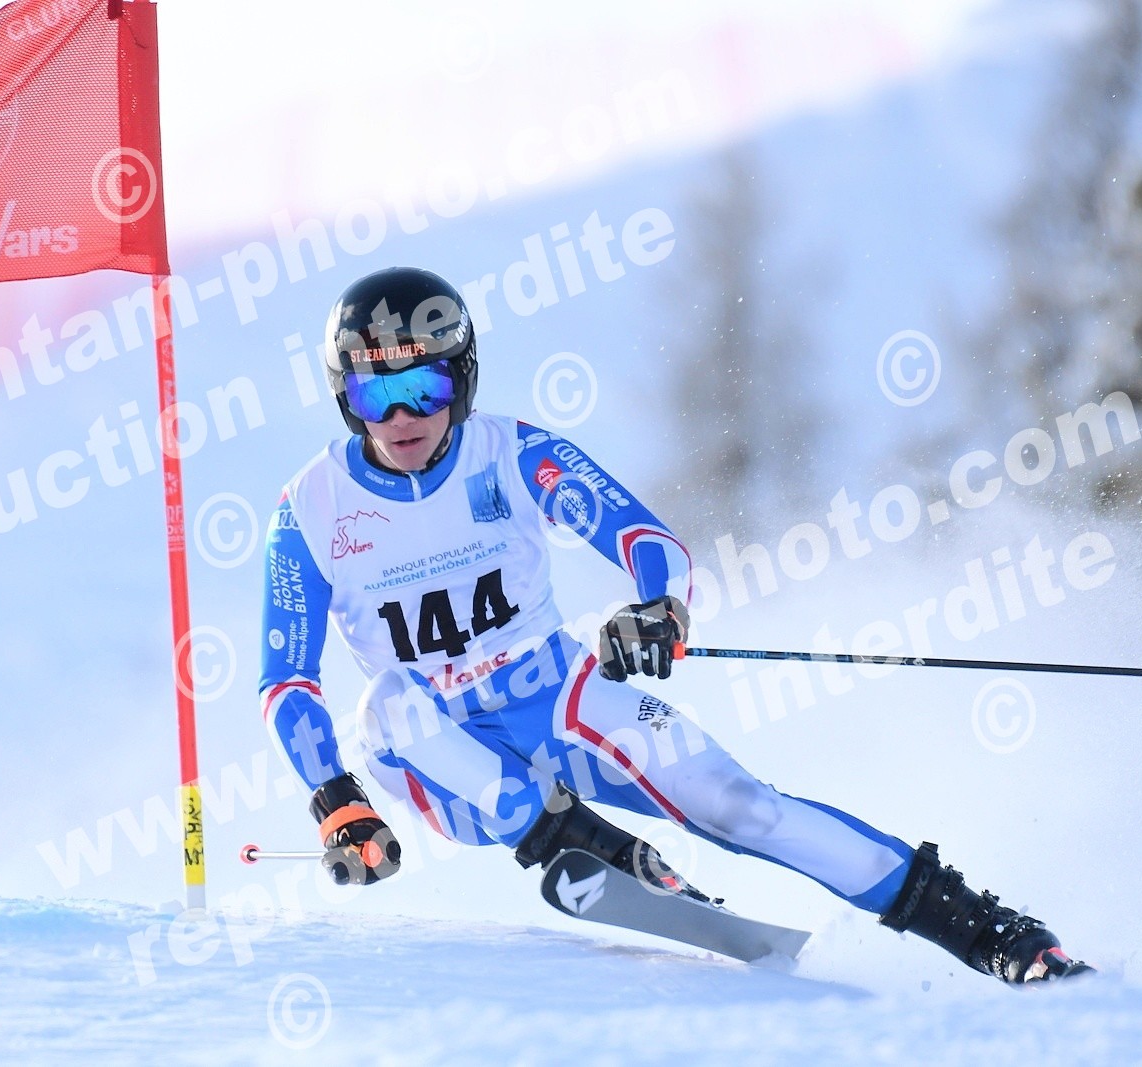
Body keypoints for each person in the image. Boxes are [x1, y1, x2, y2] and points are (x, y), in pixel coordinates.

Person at [257, 266, 1090, 984]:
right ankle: (577, 839)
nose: (402, 416)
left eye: (426, 387)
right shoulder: (309, 510)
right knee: (388, 702)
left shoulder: (512, 452)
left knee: (743, 804)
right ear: (345, 397)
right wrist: (337, 800)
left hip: (556, 697)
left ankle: (999, 937)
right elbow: (285, 682)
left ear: (462, 380)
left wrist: (657, 606)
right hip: (438, 756)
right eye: (375, 393)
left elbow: (645, 539)